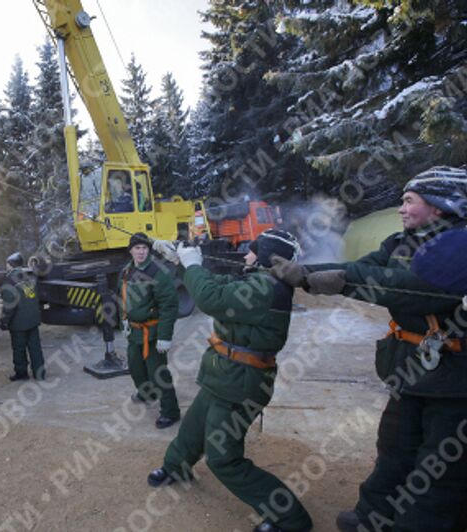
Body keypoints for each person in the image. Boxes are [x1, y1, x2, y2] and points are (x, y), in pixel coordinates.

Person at [272, 166, 467, 532]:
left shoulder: (459, 248)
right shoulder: (400, 242)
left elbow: (409, 288)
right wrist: (304, 274)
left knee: (439, 471)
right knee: (394, 449)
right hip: (413, 369)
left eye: (410, 201)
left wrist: (342, 284)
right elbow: (362, 268)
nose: (402, 209)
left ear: (439, 206)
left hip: (455, 379)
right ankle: (372, 517)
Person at [150, 230, 313, 532]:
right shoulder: (258, 280)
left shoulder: (266, 288)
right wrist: (182, 262)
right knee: (193, 428)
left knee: (223, 459)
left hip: (242, 384)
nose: (245, 255)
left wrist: (192, 263)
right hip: (223, 374)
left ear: (267, 257)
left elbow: (211, 298)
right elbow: (216, 284)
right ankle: (177, 466)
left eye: (252, 251)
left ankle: (290, 519)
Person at [119, 232, 181, 429]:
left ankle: (171, 412)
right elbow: (124, 298)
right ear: (130, 251)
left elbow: (169, 306)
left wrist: (165, 337)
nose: (141, 252)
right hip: (134, 332)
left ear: (149, 250)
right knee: (136, 367)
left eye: (144, 248)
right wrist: (125, 321)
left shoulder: (158, 273)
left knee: (158, 373)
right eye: (137, 248)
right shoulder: (126, 271)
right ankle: (147, 394)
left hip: (153, 333)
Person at [0, 252, 45, 380]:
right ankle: (40, 372)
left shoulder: (9, 281)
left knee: (19, 348)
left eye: (7, 264)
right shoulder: (30, 277)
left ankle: (21, 373)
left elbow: (9, 305)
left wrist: (4, 321)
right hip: (33, 319)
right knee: (35, 347)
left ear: (10, 265)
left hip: (18, 322)